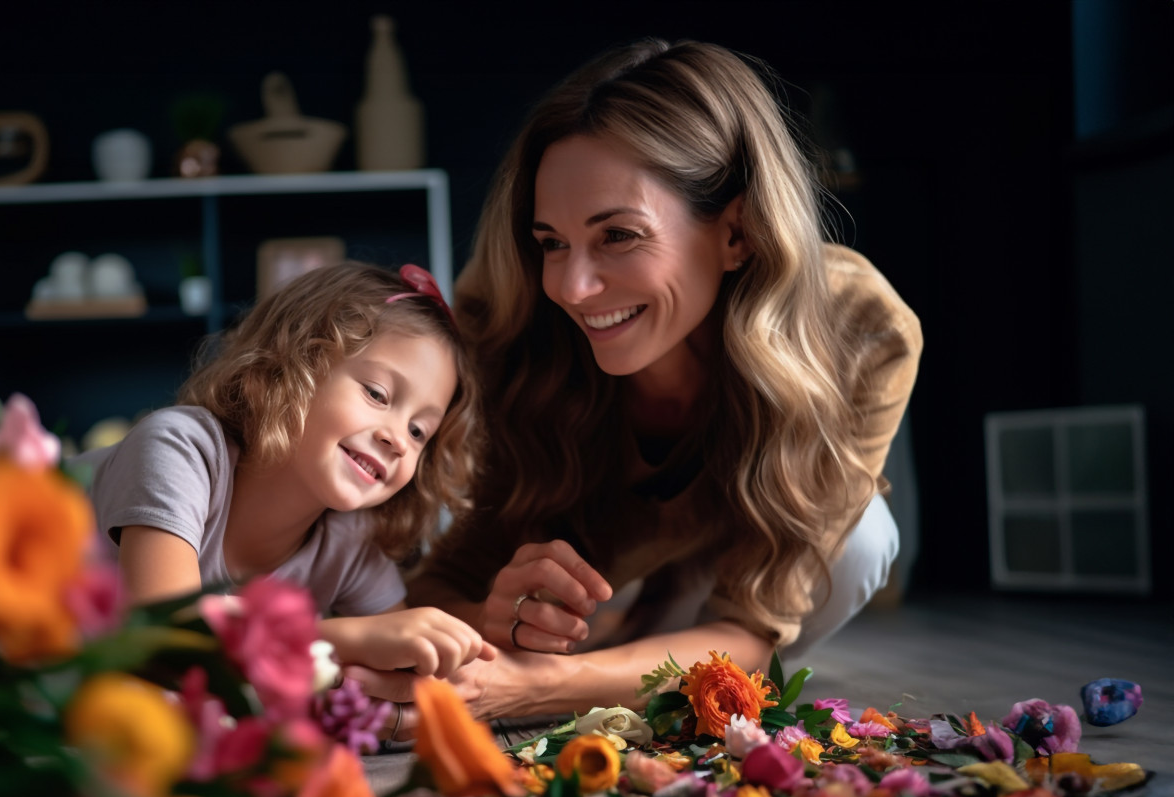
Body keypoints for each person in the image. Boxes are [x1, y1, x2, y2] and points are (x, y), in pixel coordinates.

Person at [348, 37, 922, 728]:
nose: (572, 285)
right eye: (551, 241)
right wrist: (494, 617)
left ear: (735, 231)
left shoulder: (861, 329)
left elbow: (750, 628)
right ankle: (633, 652)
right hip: (613, 585)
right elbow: (445, 579)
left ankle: (648, 664)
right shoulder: (509, 317)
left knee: (864, 536)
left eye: (618, 235)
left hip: (737, 570)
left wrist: (536, 687)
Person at [83, 261, 494, 699]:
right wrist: (345, 640)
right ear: (293, 365)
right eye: (377, 394)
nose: (397, 439)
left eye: (419, 432)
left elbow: (396, 674)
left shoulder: (351, 540)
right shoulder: (178, 449)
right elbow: (173, 645)